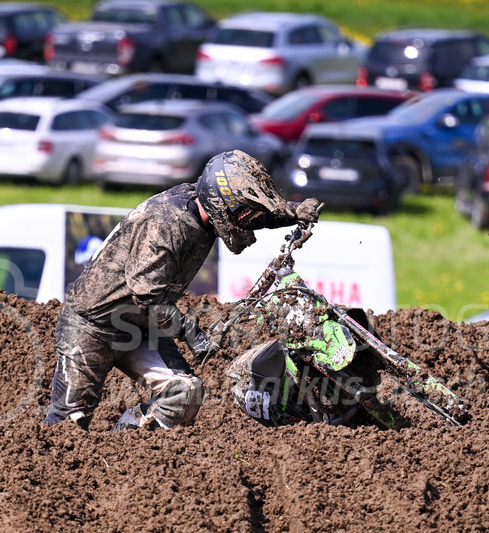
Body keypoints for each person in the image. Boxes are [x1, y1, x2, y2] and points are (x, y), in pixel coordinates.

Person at [43, 149, 323, 432]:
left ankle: (124, 443)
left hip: (140, 328)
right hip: (92, 326)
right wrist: (193, 335)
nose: (246, 220)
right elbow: (147, 296)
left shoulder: (206, 209)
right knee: (68, 425)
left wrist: (291, 211)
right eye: (241, 213)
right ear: (222, 206)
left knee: (185, 392)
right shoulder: (166, 222)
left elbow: (252, 215)